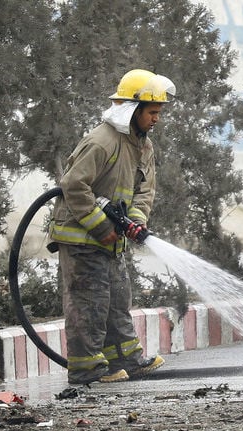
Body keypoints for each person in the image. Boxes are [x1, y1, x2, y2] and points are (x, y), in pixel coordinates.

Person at [49, 69, 176, 384]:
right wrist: (99, 225)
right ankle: (86, 369)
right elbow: (74, 186)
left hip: (110, 239)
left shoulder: (143, 146)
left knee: (117, 298)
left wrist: (135, 221)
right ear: (133, 109)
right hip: (81, 237)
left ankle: (125, 359)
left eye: (158, 113)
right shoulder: (101, 141)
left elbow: (143, 191)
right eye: (152, 112)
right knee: (88, 302)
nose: (156, 119)